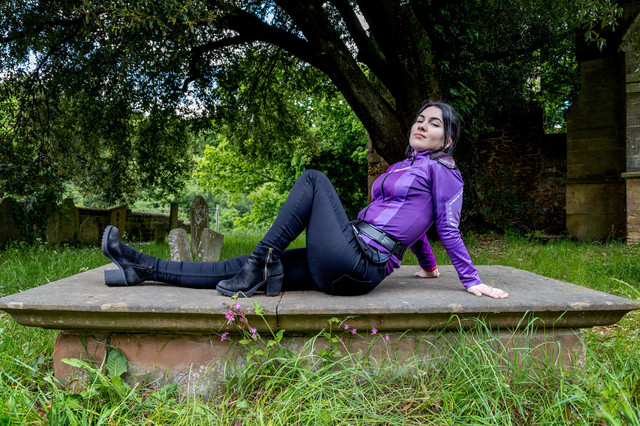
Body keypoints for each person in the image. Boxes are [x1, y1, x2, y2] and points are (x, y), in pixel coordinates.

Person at [101, 100, 509, 299]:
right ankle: (141, 267)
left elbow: (446, 225)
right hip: (344, 260)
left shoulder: (445, 171)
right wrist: (429, 267)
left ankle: (260, 261)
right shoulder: (405, 166)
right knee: (235, 267)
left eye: (433, 123)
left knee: (314, 179)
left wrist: (471, 280)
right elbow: (416, 224)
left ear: (447, 139)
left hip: (358, 265)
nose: (422, 125)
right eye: (420, 119)